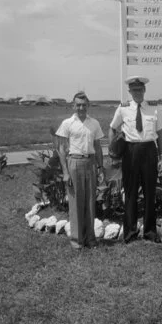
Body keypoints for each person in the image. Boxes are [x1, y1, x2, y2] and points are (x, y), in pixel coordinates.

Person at [109, 76, 162, 244]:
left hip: (149, 150)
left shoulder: (154, 109)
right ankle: (130, 232)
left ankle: (150, 232)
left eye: (140, 89)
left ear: (144, 90)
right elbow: (112, 128)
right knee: (130, 193)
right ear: (129, 92)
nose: (137, 92)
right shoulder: (123, 108)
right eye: (134, 90)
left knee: (150, 192)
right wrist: (113, 152)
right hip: (130, 151)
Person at [56, 91, 105, 250]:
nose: (81, 107)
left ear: (88, 105)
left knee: (91, 201)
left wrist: (100, 167)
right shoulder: (67, 123)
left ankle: (90, 239)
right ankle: (77, 241)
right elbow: (62, 149)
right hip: (74, 163)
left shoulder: (95, 123)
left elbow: (97, 147)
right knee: (75, 202)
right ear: (73, 105)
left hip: (90, 163)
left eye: (84, 105)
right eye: (78, 104)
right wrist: (65, 172)